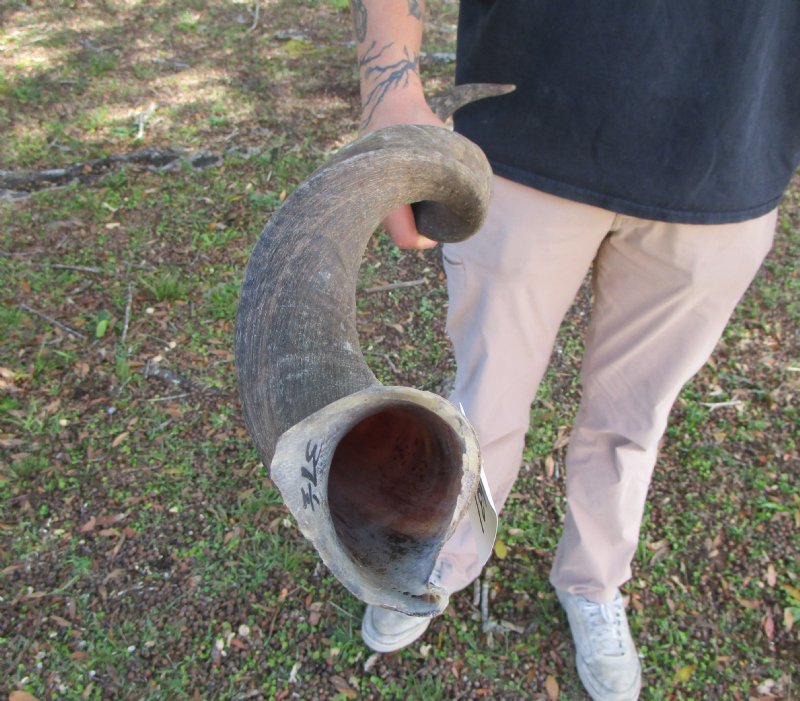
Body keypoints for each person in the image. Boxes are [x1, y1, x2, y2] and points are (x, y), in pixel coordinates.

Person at [349, 1, 800, 699]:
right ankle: (444, 556)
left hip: (732, 152)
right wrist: (388, 86)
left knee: (633, 419)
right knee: (486, 398)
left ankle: (593, 581)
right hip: (525, 138)